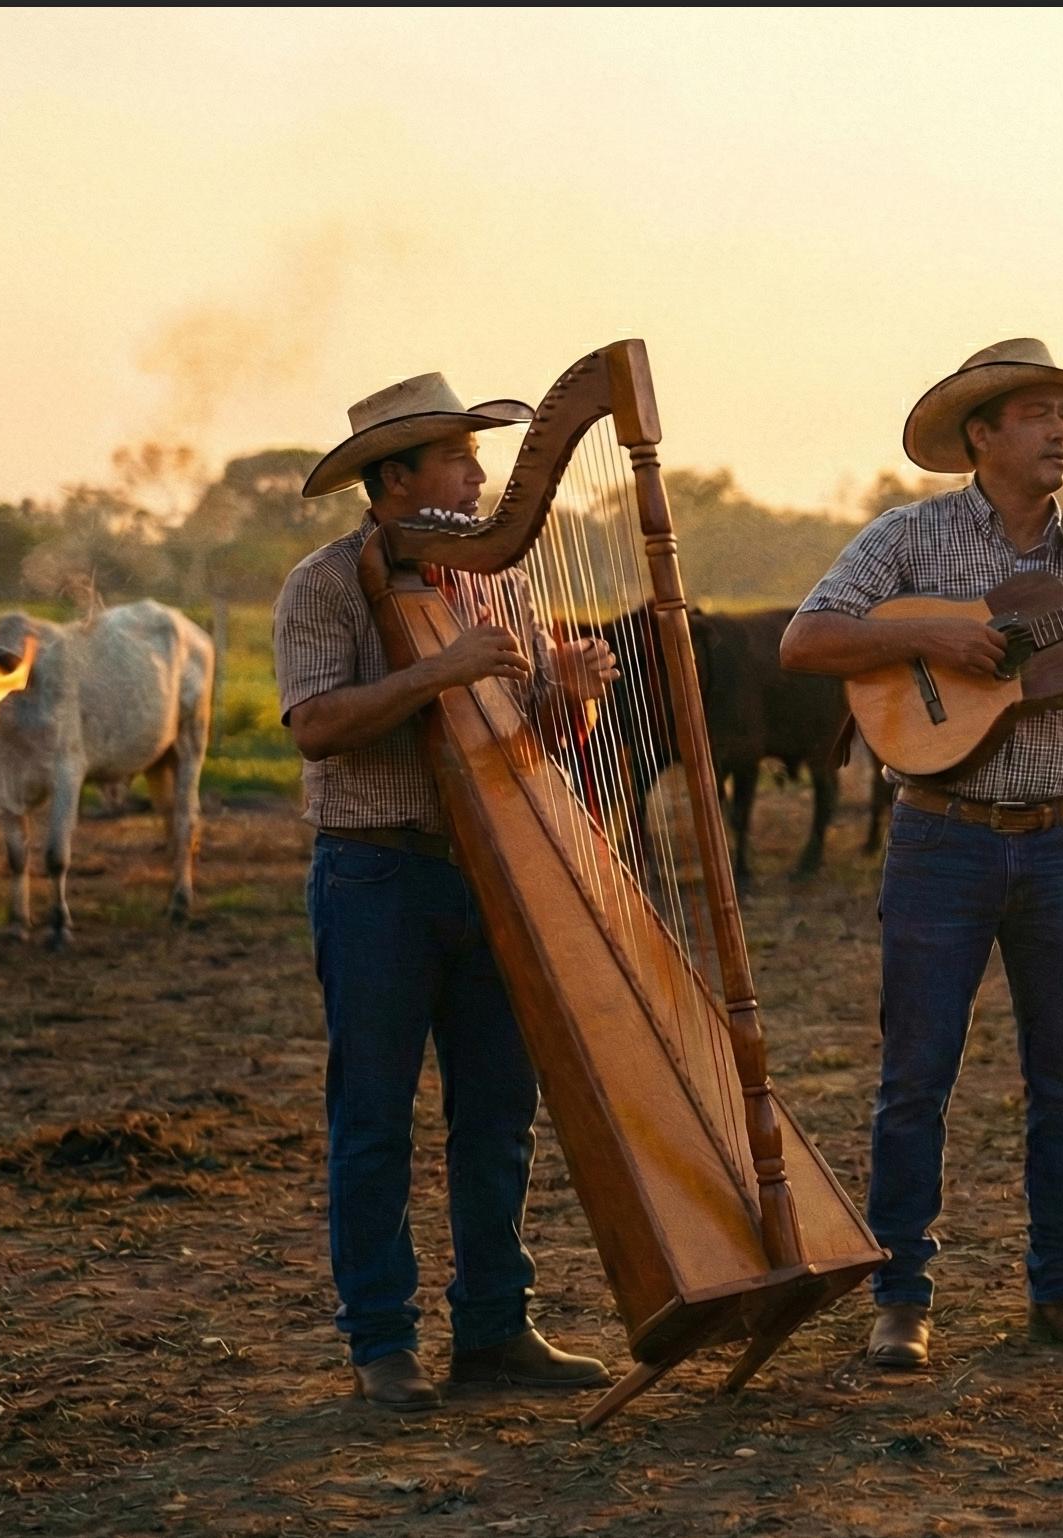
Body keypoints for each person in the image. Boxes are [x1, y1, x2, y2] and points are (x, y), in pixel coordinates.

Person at [779, 338, 1063, 1370]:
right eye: (1038, 415)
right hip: (940, 836)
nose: (1061, 433)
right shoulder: (909, 538)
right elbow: (806, 642)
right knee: (914, 1079)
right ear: (982, 435)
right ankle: (900, 1298)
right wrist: (936, 643)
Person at [273, 371, 618, 1411]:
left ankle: (496, 1329)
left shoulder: (500, 583)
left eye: (478, 457)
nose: (481, 478)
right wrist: (440, 670)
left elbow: (529, 746)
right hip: (374, 869)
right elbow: (314, 725)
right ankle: (383, 1340)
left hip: (494, 872)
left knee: (499, 1113)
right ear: (395, 482)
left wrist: (573, 698)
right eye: (461, 459)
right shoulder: (324, 585)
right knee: (374, 1116)